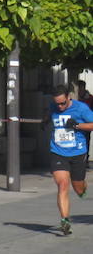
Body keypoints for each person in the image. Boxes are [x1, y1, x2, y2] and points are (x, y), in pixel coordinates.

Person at [46, 84, 93, 235]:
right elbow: (49, 114)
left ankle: (82, 187)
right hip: (58, 152)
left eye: (62, 103)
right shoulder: (53, 107)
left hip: (78, 152)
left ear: (68, 97)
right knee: (63, 184)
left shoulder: (81, 108)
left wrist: (78, 125)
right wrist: (45, 120)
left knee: (78, 188)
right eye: (57, 103)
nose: (59, 106)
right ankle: (65, 220)